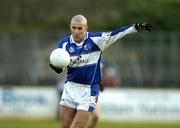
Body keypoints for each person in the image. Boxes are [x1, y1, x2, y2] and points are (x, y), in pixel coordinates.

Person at [49, 14, 152, 128]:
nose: (76, 31)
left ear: (86, 28)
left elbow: (116, 34)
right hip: (70, 88)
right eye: (74, 28)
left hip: (88, 92)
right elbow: (61, 65)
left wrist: (135, 27)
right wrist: (57, 68)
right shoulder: (64, 44)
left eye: (80, 28)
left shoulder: (97, 40)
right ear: (70, 27)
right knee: (64, 126)